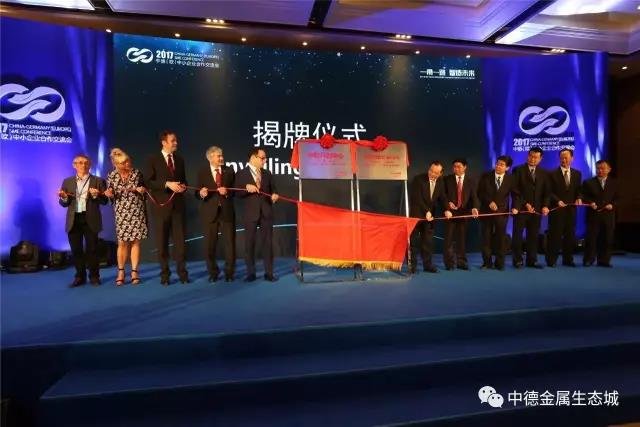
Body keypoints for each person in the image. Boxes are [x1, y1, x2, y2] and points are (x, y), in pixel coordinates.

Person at [145, 130, 189, 285]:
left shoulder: (180, 160)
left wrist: (183, 187)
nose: (176, 143)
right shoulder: (153, 159)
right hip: (161, 208)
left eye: (176, 140)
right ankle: (165, 275)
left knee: (180, 243)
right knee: (162, 243)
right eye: (173, 141)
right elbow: (148, 182)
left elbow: (184, 181)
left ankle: (183, 273)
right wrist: (166, 184)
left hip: (178, 207)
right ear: (164, 143)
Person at [57, 154, 108, 287]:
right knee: (76, 250)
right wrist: (63, 197)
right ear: (74, 165)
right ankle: (80, 276)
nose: (83, 165)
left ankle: (94, 276)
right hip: (74, 219)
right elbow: (64, 203)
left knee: (92, 250)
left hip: (90, 218)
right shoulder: (67, 181)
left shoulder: (98, 180)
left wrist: (96, 196)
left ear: (90, 165)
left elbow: (105, 201)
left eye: (86, 162)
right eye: (80, 162)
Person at [104, 148, 148, 286]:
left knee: (135, 241)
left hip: (136, 211)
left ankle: (134, 271)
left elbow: (144, 190)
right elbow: (111, 193)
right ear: (116, 164)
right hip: (121, 212)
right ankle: (121, 272)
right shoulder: (111, 175)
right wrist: (109, 194)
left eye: (128, 161)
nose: (127, 164)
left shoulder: (137, 173)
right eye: (123, 163)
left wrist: (142, 190)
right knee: (122, 242)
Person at [235, 148, 279, 282]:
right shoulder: (241, 174)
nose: (265, 161)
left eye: (265, 158)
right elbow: (237, 193)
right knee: (249, 244)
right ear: (253, 158)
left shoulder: (267, 173)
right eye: (262, 158)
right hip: (250, 214)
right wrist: (246, 188)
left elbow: (274, 189)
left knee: (268, 244)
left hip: (266, 212)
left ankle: (269, 273)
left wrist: (275, 195)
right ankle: (251, 273)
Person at [195, 146, 236, 283]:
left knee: (230, 244)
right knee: (209, 245)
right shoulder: (202, 172)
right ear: (210, 157)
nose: (221, 158)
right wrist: (201, 193)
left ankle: (229, 273)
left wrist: (227, 192)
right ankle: (213, 272)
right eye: (218, 156)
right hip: (209, 213)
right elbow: (196, 192)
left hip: (226, 212)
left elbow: (235, 191)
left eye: (221, 155)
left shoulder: (229, 170)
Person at [477, 155, 519, 271]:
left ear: (507, 168)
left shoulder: (511, 179)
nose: (498, 166)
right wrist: (489, 202)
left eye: (501, 165)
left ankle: (500, 263)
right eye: (497, 163)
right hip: (486, 212)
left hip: (502, 213)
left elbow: (516, 195)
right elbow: (480, 192)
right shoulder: (486, 176)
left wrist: (515, 207)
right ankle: (487, 263)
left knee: (500, 239)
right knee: (486, 238)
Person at [409, 161, 451, 273]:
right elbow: (416, 198)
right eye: (431, 170)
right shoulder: (418, 179)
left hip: (430, 217)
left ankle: (427, 265)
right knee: (413, 242)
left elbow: (443, 197)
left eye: (435, 172)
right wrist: (426, 211)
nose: (432, 173)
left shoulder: (440, 181)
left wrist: (447, 209)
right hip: (416, 214)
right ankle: (412, 266)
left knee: (427, 242)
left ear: (440, 174)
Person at [511, 146, 549, 269]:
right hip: (521, 209)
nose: (533, 159)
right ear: (528, 156)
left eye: (536, 157)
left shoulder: (544, 173)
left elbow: (546, 192)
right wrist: (525, 204)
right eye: (531, 156)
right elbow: (515, 190)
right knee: (517, 236)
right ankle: (517, 260)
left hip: (536, 211)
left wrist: (545, 206)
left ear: (540, 159)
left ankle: (532, 260)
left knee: (533, 236)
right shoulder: (518, 170)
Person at [546, 148, 582, 267]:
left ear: (572, 158)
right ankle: (551, 260)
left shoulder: (577, 174)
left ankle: (568, 260)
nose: (564, 160)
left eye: (566, 158)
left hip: (571, 210)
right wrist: (557, 201)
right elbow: (549, 191)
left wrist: (579, 198)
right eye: (562, 158)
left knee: (569, 236)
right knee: (554, 236)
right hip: (557, 210)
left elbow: (579, 190)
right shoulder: (552, 174)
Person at [442, 158, 479, 270]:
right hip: (450, 213)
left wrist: (475, 208)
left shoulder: (470, 181)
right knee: (448, 239)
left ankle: (461, 262)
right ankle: (449, 263)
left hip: (464, 214)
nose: (456, 169)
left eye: (459, 166)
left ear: (465, 167)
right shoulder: (447, 179)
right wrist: (448, 205)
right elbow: (442, 196)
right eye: (454, 167)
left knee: (461, 239)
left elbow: (474, 197)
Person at [582, 160, 618, 267]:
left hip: (608, 216)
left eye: (602, 168)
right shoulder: (588, 182)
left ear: (609, 169)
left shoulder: (614, 183)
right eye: (598, 168)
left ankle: (604, 260)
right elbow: (583, 196)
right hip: (593, 215)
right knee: (591, 239)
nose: (600, 170)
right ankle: (588, 259)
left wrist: (612, 205)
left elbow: (618, 198)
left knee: (607, 238)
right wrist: (590, 202)